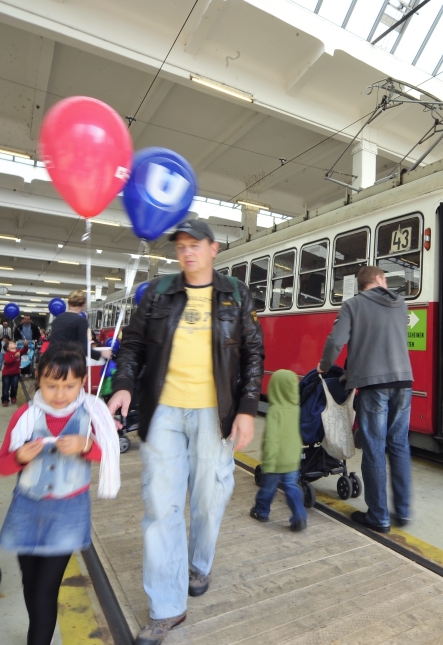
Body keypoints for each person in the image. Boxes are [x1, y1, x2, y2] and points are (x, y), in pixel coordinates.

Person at [108, 218, 264, 645]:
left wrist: (247, 409)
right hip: (165, 414)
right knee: (161, 507)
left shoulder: (235, 293)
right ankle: (166, 606)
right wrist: (122, 387)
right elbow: (134, 345)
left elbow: (252, 350)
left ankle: (199, 562)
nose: (187, 252)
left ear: (214, 249)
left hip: (217, 413)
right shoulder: (159, 294)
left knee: (210, 499)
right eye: (180, 246)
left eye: (196, 245)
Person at [0, 344, 119, 645]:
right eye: (52, 386)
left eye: (69, 386)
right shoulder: (25, 414)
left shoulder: (91, 413)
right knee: (30, 582)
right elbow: (2, 465)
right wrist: (21, 456)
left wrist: (86, 446)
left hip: (68, 512)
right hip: (26, 509)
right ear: (38, 378)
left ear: (82, 383)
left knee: (45, 588)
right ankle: (39, 627)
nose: (60, 394)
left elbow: (108, 455)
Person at [317, 265, 414, 533]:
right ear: (380, 280)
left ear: (360, 285)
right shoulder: (401, 304)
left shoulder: (353, 305)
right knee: (399, 445)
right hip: (404, 383)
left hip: (374, 385)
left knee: (374, 448)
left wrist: (325, 366)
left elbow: (336, 340)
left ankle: (379, 516)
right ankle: (403, 511)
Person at [249, 369, 306, 531]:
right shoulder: (296, 408)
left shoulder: (274, 411)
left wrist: (268, 461)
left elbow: (271, 439)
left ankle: (261, 511)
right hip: (293, 458)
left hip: (277, 460)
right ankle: (299, 515)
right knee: (291, 487)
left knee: (268, 488)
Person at [48, 290, 112, 361]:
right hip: (69, 362)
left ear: (68, 303)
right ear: (84, 304)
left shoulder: (57, 320)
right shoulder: (81, 321)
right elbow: (83, 348)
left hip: (52, 360)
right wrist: (101, 353)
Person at [1, 340, 27, 407]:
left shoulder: (18, 351)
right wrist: (15, 356)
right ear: (8, 348)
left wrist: (25, 345)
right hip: (6, 373)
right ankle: (5, 400)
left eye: (13, 342)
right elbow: (8, 361)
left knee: (14, 386)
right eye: (11, 343)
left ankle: (13, 396)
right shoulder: (7, 354)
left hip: (15, 373)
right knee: (5, 387)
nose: (13, 343)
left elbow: (24, 350)